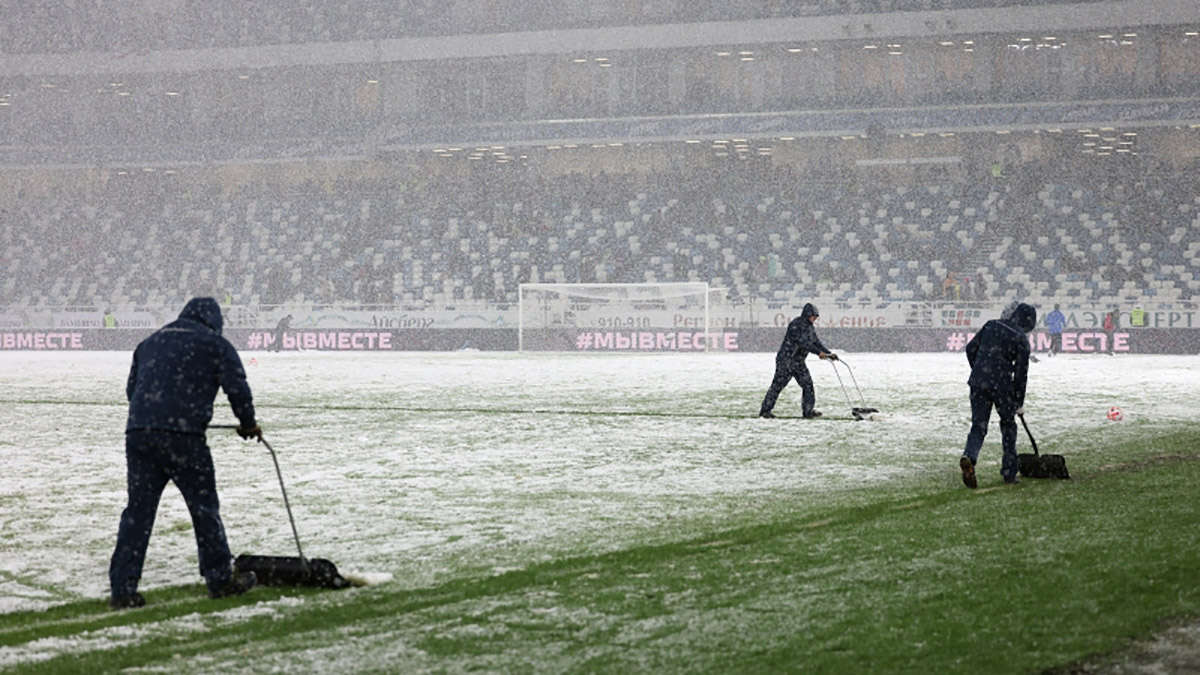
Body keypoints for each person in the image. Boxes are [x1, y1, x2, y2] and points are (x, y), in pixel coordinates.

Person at [109, 297, 262, 609]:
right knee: (204, 509)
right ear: (214, 322)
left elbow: (132, 392)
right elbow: (238, 388)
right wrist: (247, 424)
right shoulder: (215, 344)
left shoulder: (149, 342)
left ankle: (123, 589)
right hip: (184, 439)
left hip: (140, 434)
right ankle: (219, 579)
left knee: (137, 514)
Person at [959, 302, 1036, 488]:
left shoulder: (991, 325)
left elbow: (970, 349)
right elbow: (1021, 374)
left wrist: (980, 370)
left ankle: (969, 456)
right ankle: (1009, 472)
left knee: (978, 425)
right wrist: (1019, 401)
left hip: (978, 382)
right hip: (1002, 385)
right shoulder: (1021, 339)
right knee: (1008, 425)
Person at [759, 303, 837, 419]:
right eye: (813, 316)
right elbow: (803, 343)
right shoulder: (796, 325)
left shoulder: (810, 327)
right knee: (777, 386)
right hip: (786, 361)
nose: (815, 318)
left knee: (808, 385)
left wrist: (829, 353)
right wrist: (818, 353)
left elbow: (816, 342)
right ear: (807, 315)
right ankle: (765, 411)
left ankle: (808, 411)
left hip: (798, 362)